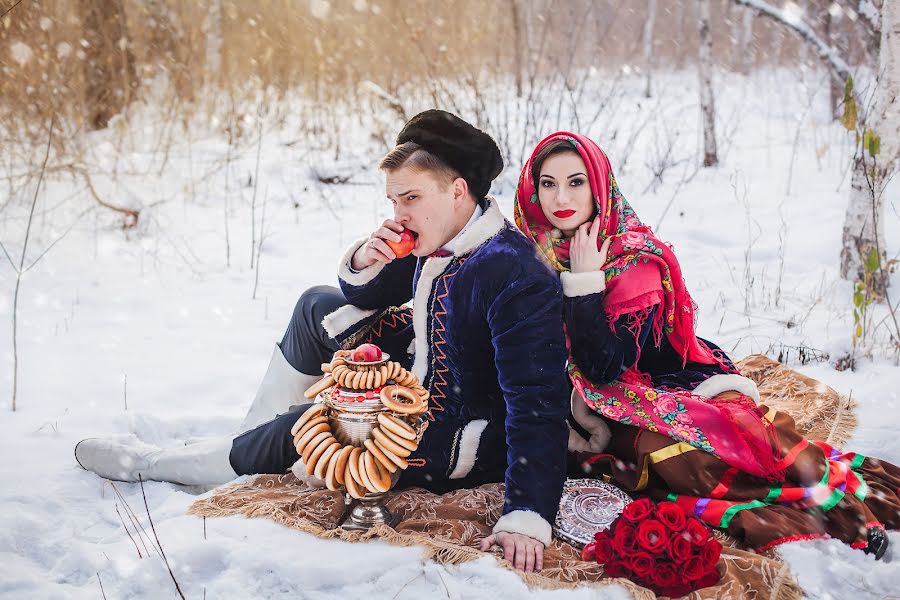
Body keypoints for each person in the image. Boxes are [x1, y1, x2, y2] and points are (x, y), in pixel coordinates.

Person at [75, 110, 570, 573]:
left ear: (458, 190)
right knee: (318, 304)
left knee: (310, 426)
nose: (399, 213)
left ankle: (153, 463)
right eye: (393, 200)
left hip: (458, 430)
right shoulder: (441, 231)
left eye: (410, 199)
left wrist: (526, 514)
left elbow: (537, 404)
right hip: (418, 371)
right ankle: (244, 448)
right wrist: (369, 257)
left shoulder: (514, 274)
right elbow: (374, 291)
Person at [513, 131, 899, 558]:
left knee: (711, 452)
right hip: (593, 407)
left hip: (665, 382)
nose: (559, 196)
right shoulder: (532, 252)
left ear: (600, 186)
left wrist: (584, 286)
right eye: (547, 183)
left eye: (576, 181)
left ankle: (835, 509)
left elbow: (606, 368)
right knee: (652, 463)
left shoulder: (633, 261)